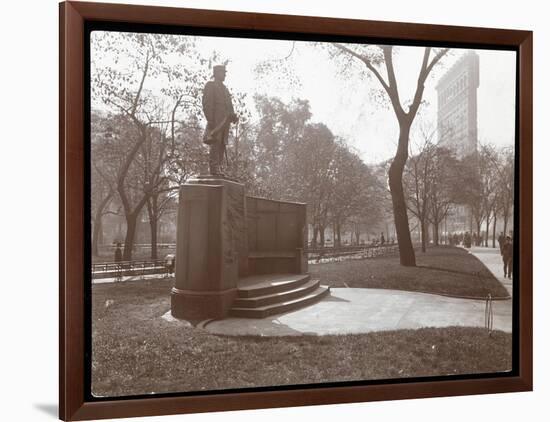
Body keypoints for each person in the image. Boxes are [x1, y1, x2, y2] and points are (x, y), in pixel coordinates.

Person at [201, 64, 238, 176]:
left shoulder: (225, 89)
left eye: (225, 73)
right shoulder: (210, 86)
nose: (225, 75)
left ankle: (219, 168)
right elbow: (207, 103)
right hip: (216, 119)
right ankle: (214, 168)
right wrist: (210, 119)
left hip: (225, 120)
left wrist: (233, 116)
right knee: (215, 142)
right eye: (223, 72)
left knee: (222, 143)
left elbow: (229, 105)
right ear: (216, 73)